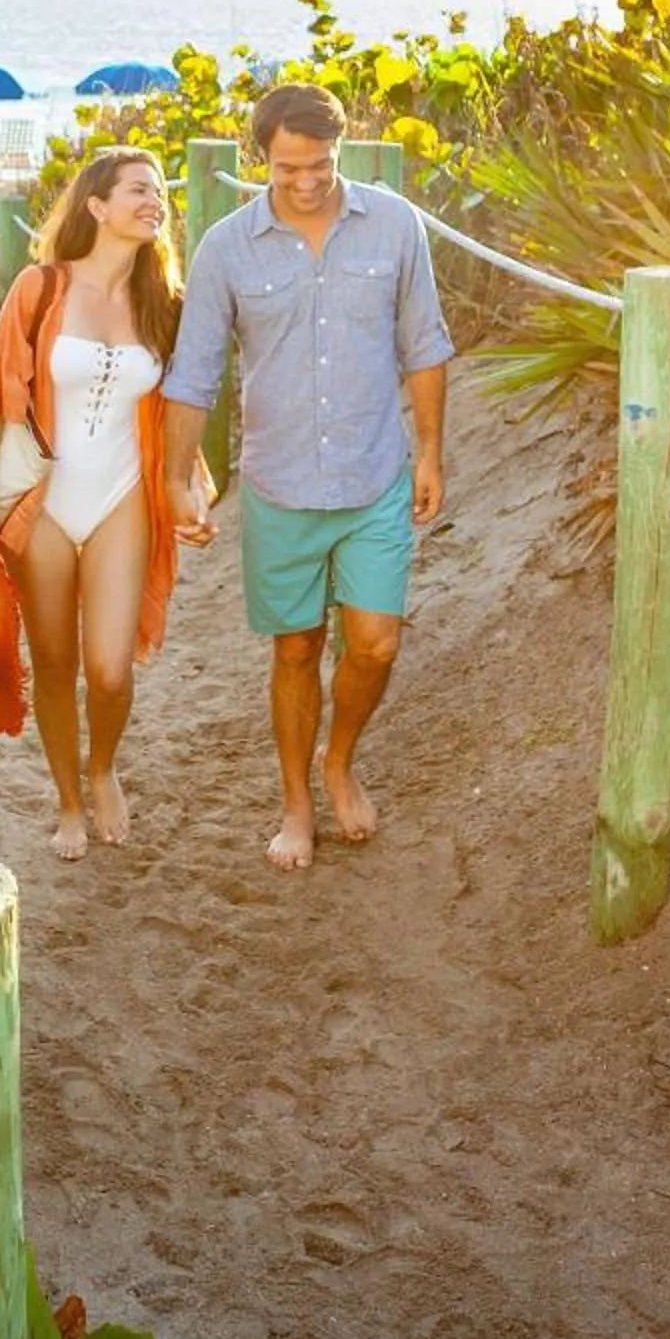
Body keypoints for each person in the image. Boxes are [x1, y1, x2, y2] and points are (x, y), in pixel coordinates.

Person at [162, 84, 453, 871]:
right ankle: (296, 801)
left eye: (320, 164)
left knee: (376, 644)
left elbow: (425, 344)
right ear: (261, 156)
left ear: (339, 149)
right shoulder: (226, 247)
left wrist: (430, 452)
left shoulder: (395, 224)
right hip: (280, 482)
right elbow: (194, 373)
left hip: (373, 473)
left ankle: (339, 760)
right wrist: (177, 478)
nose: (306, 181)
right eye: (288, 167)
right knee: (296, 648)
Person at [0, 146, 200, 860]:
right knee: (55, 659)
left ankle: (104, 769)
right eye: (137, 190)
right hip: (45, 500)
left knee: (110, 669)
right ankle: (69, 799)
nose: (154, 202)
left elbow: (181, 408)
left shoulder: (164, 304)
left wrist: (189, 487)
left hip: (122, 496)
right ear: (96, 205)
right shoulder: (40, 288)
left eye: (159, 193)